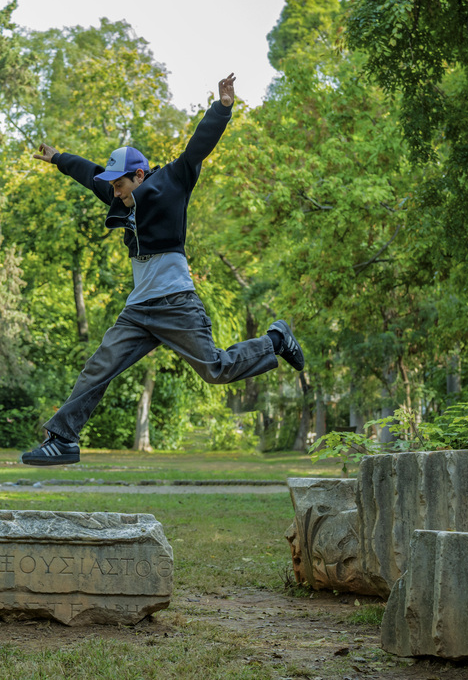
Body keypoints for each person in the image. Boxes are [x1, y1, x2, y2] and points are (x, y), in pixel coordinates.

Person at [21, 73, 305, 466]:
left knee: (216, 370)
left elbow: (197, 148)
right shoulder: (120, 194)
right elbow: (90, 175)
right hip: (139, 310)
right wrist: (58, 160)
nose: (115, 194)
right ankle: (63, 438)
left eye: (120, 186)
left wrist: (221, 109)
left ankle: (275, 341)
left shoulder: (172, 180)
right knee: (99, 366)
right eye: (114, 188)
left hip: (174, 303)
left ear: (138, 176)